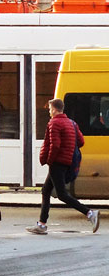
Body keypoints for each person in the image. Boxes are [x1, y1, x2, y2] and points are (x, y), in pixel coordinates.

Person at [28, 98, 99, 235]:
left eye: (50, 109)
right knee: (46, 190)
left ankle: (90, 213)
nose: (49, 111)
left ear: (54, 109)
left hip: (57, 163)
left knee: (62, 194)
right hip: (66, 162)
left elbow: (55, 145)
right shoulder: (71, 123)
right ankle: (41, 225)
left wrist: (50, 160)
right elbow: (81, 141)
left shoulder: (54, 123)